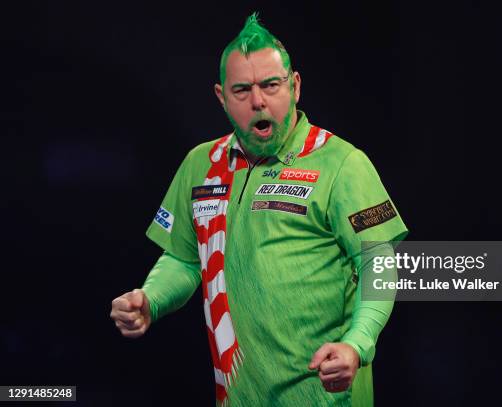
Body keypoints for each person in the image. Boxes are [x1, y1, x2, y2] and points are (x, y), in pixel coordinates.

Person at [110, 13, 408, 407]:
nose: (258, 101)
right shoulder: (201, 164)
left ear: (295, 86)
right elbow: (184, 258)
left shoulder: (343, 163)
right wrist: (151, 299)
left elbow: (380, 263)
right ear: (221, 97)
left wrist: (357, 344)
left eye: (271, 85)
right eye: (242, 90)